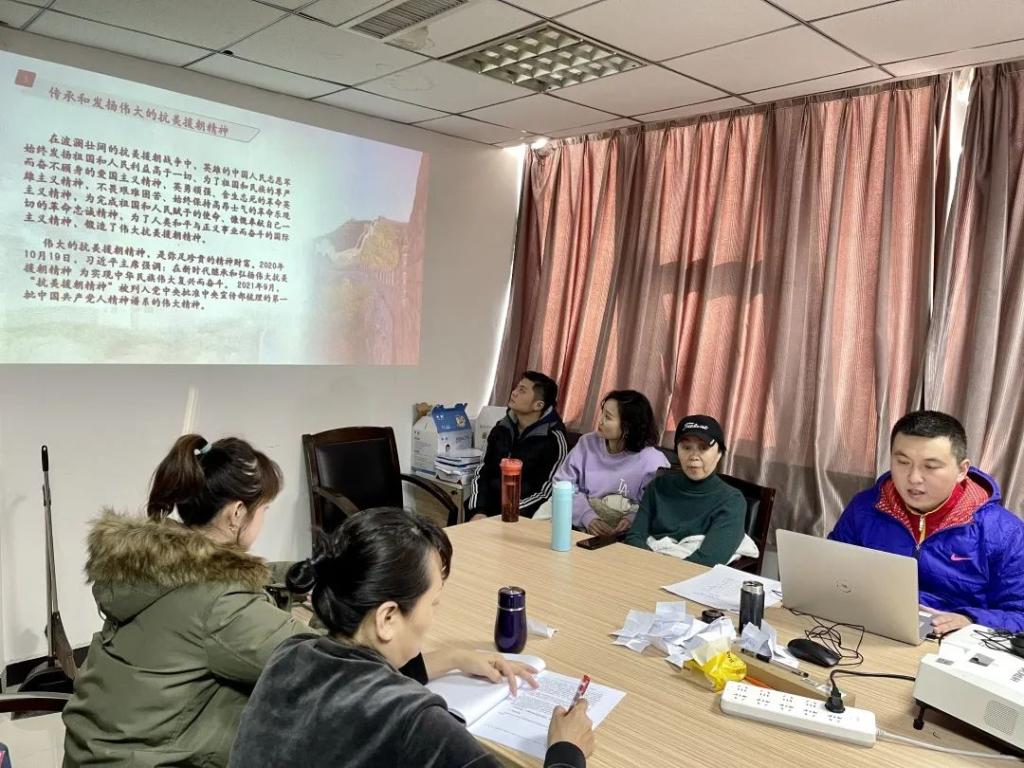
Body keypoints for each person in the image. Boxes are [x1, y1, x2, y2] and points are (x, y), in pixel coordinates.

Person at [229, 508, 594, 768]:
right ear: (387, 617)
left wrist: (452, 657)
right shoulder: (414, 719)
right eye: (433, 603)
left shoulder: (290, 654)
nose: (434, 616)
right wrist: (566, 750)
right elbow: (382, 704)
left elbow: (356, 691)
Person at [62, 435, 309, 768]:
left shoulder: (154, 564)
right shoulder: (220, 600)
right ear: (237, 513)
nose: (264, 518)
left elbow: (221, 579)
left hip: (92, 754)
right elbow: (316, 660)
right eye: (264, 509)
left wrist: (296, 573)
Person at [829, 410, 1024, 634]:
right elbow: (832, 570)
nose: (913, 478)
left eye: (930, 467)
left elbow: (1020, 613)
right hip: (869, 627)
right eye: (902, 462)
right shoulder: (865, 507)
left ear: (962, 470)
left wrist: (970, 619)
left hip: (951, 642)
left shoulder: (1006, 533)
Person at [625, 415, 746, 565]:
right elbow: (634, 536)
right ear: (677, 451)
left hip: (692, 576)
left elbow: (707, 560)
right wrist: (650, 567)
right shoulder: (658, 487)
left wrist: (661, 571)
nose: (693, 456)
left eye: (703, 448)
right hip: (643, 567)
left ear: (719, 453)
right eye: (686, 448)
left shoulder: (732, 501)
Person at [553, 390, 669, 535]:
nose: (600, 421)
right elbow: (562, 483)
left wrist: (632, 519)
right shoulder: (587, 443)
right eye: (602, 413)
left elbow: (656, 504)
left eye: (608, 417)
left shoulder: (653, 461)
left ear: (628, 426)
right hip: (579, 516)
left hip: (626, 530)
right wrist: (587, 517)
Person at [466, 371, 568, 520]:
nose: (514, 393)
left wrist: (508, 513)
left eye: (522, 390)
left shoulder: (554, 439)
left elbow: (547, 491)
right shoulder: (501, 428)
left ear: (538, 405)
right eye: (516, 388)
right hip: (486, 510)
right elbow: (482, 471)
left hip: (523, 516)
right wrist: (478, 510)